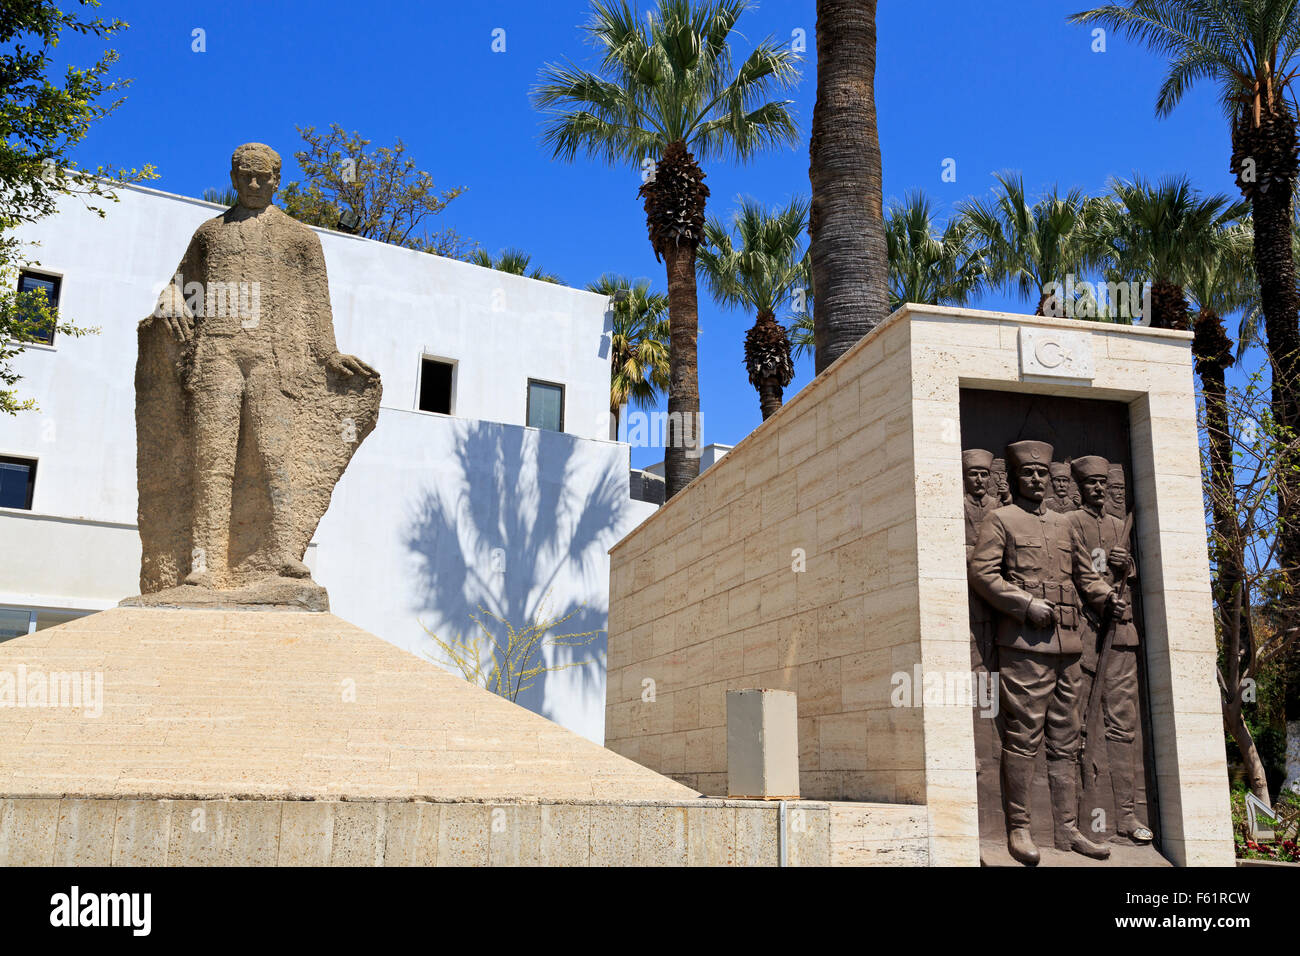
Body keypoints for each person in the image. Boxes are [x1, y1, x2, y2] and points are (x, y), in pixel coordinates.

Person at [151, 143, 379, 588]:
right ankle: (203, 561)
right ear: (232, 177)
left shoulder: (300, 237)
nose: (253, 185)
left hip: (273, 358)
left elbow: (316, 301)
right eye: (245, 176)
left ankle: (282, 555)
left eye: (263, 177)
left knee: (276, 455)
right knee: (212, 461)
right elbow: (180, 285)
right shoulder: (209, 234)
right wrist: (170, 300)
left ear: (278, 179)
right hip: (216, 352)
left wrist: (329, 354)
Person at [969, 439, 1110, 865]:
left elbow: (1087, 575)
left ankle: (1067, 831)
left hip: (1068, 645)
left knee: (1067, 741)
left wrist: (1105, 597)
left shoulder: (1067, 525)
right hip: (1025, 646)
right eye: (1027, 473)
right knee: (1024, 736)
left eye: (1042, 473)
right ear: (1014, 477)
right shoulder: (1001, 519)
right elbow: (982, 572)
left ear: (1050, 477)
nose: (1035, 478)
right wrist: (1025, 604)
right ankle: (1019, 827)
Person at [1070, 456, 1153, 844]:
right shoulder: (1072, 524)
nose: (1099, 489)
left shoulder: (1120, 526)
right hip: (1082, 637)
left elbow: (1130, 575)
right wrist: (1104, 596)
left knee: (1123, 726)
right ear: (1080, 488)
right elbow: (1080, 573)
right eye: (1091, 484)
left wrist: (1129, 566)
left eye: (1104, 483)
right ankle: (1075, 814)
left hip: (1119, 638)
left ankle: (1126, 815)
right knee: (1076, 726)